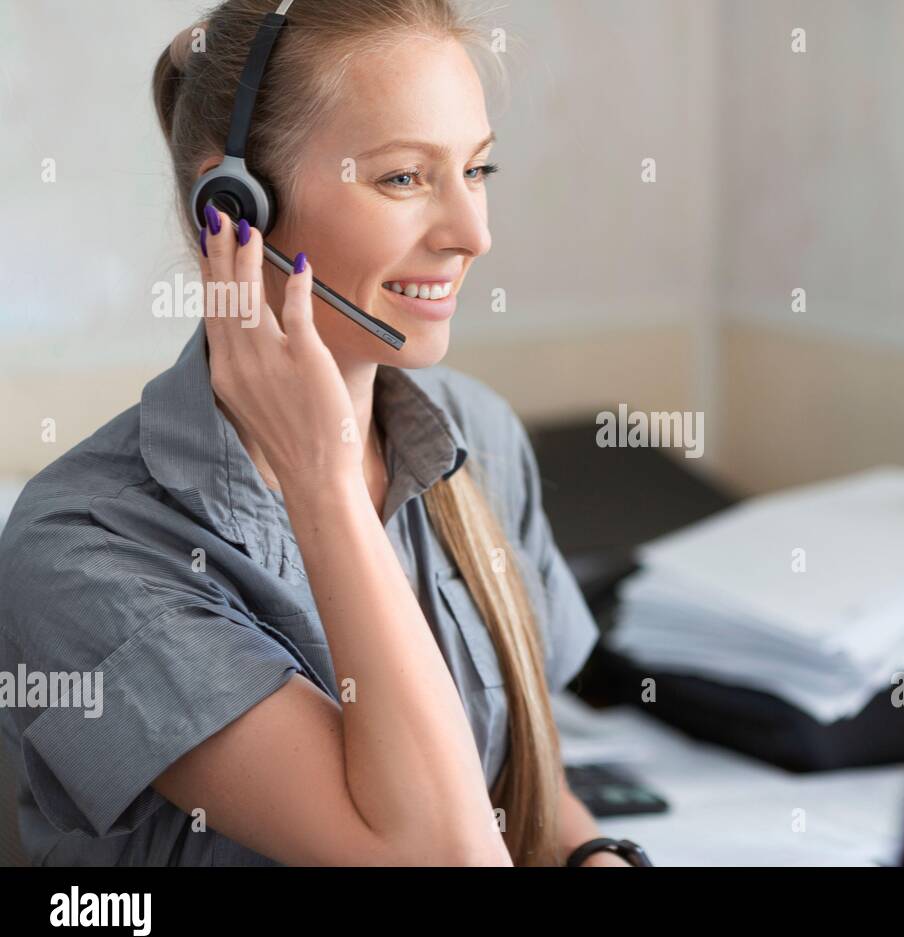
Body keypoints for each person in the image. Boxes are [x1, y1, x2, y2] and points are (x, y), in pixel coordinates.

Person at [0, 0, 636, 867]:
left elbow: (520, 771)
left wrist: (593, 854)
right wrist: (325, 483)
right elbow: (436, 855)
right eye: (404, 178)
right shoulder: (83, 546)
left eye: (478, 170)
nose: (473, 234)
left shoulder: (476, 437)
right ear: (229, 208)